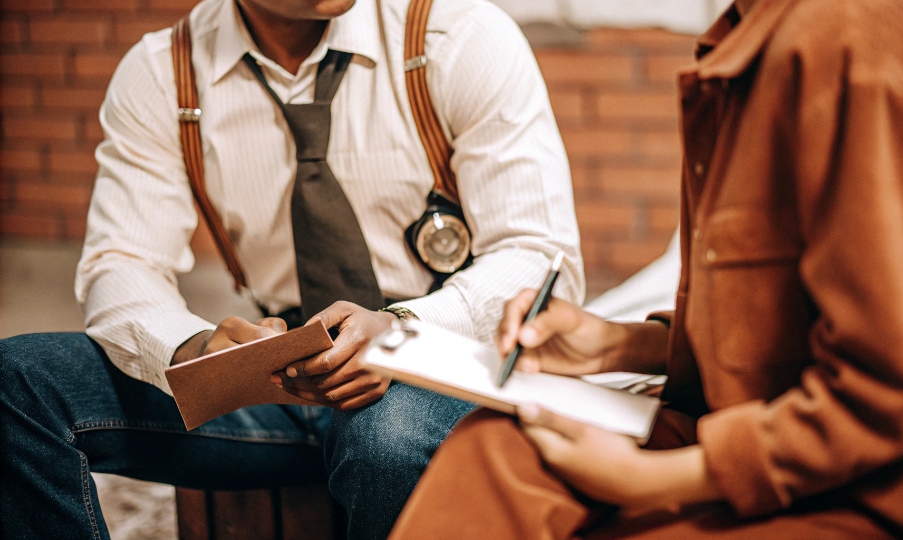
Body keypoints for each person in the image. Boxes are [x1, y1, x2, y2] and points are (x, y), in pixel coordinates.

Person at [0, 0, 585, 538]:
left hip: (435, 365)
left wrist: (404, 331)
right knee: (19, 382)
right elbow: (121, 260)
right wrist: (192, 349)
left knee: (388, 433)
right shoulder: (163, 72)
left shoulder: (455, 35)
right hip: (278, 379)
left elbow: (536, 254)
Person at [388, 0, 903, 538]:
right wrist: (615, 344)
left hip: (863, 486)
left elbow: (892, 387)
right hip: (745, 421)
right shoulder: (742, 38)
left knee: (398, 436)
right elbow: (776, 326)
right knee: (493, 450)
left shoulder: (858, 46)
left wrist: (649, 480)